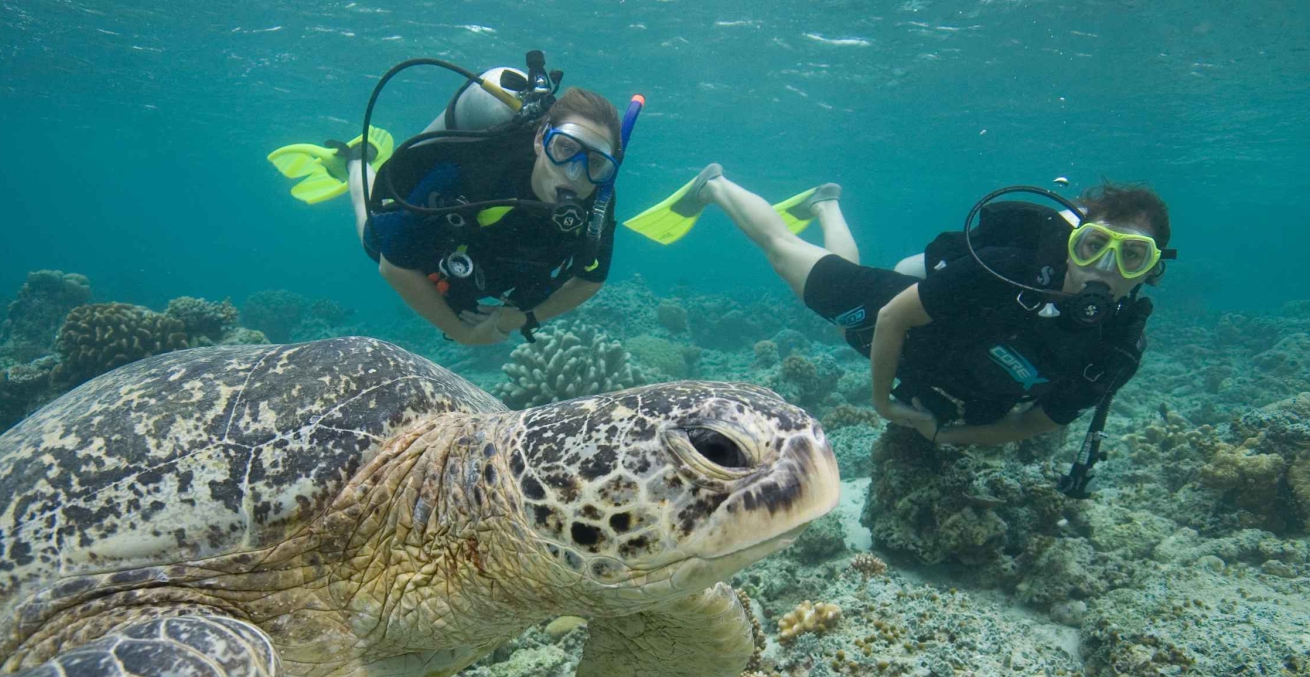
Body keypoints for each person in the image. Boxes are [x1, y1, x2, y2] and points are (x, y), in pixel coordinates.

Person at [625, 167, 1173, 450]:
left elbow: (1038, 422)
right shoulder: (1007, 266)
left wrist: (945, 435)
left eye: (1130, 257)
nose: (1104, 268)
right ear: (1073, 244)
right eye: (1093, 246)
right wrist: (883, 404)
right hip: (893, 315)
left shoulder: (1116, 349)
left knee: (842, 289)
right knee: (783, 253)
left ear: (1149, 272)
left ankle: (825, 204)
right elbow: (893, 318)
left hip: (922, 352)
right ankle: (715, 184)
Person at [271, 63, 629, 346]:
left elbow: (590, 278)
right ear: (540, 139)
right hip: (437, 243)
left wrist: (524, 318)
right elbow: (392, 266)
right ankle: (355, 161)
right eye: (565, 148)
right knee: (372, 234)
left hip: (487, 265)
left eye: (595, 162)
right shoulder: (474, 171)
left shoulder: (598, 199)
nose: (575, 173)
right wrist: (462, 333)